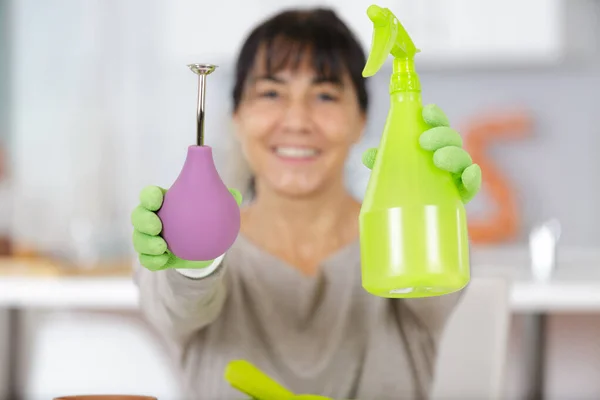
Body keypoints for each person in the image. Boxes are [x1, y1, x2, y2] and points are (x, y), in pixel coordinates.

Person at [131, 8, 481, 399]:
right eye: (271, 93)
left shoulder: (396, 236)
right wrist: (195, 261)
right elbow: (177, 308)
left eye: (325, 95)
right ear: (237, 117)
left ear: (361, 119)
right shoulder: (197, 242)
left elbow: (437, 292)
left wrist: (433, 212)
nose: (297, 120)